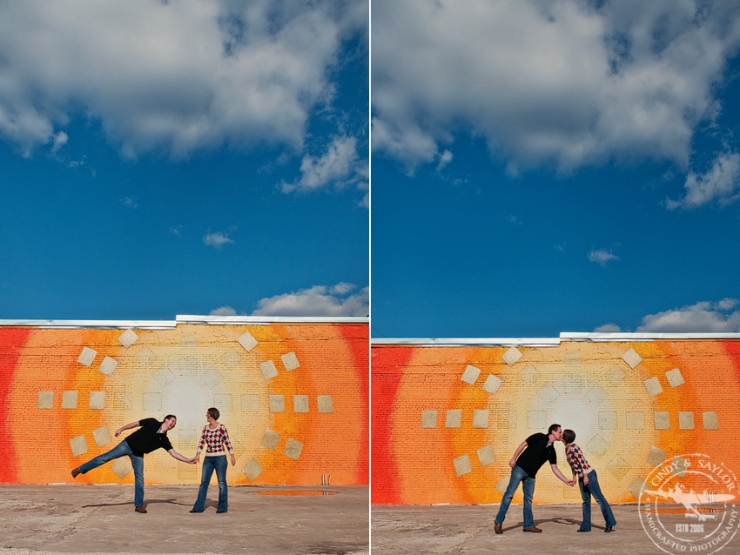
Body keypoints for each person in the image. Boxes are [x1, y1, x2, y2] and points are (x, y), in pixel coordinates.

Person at [71, 415, 195, 513]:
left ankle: (139, 505)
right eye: (172, 421)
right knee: (105, 458)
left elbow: (173, 453)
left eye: (175, 423)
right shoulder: (152, 422)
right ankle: (80, 469)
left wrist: (188, 460)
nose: (173, 424)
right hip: (127, 445)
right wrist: (121, 429)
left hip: (138, 455)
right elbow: (135, 424)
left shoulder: (164, 440)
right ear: (166, 420)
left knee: (140, 479)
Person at [494, 423, 572, 534]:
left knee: (528, 499)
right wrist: (513, 459)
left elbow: (554, 468)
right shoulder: (539, 437)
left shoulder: (552, 452)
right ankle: (498, 522)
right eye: (560, 432)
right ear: (553, 432)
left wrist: (566, 480)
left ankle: (528, 525)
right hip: (519, 469)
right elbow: (523, 444)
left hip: (531, 476)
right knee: (509, 494)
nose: (561, 434)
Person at [563, 428, 616, 533]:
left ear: (565, 437)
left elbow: (582, 461)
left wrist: (586, 476)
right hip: (581, 477)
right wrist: (574, 478)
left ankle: (610, 523)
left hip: (589, 474)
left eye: (562, 435)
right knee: (586, 501)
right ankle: (586, 526)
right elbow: (573, 466)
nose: (560, 436)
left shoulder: (574, 447)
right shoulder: (567, 450)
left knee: (599, 499)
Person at [190, 407, 236, 514]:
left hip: (220, 458)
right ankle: (198, 507)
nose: (206, 415)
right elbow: (202, 442)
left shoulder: (221, 428)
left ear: (211, 415)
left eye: (207, 413)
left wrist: (232, 456)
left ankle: (222, 507)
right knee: (204, 482)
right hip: (208, 459)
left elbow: (227, 442)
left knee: (221, 482)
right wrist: (197, 454)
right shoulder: (206, 428)